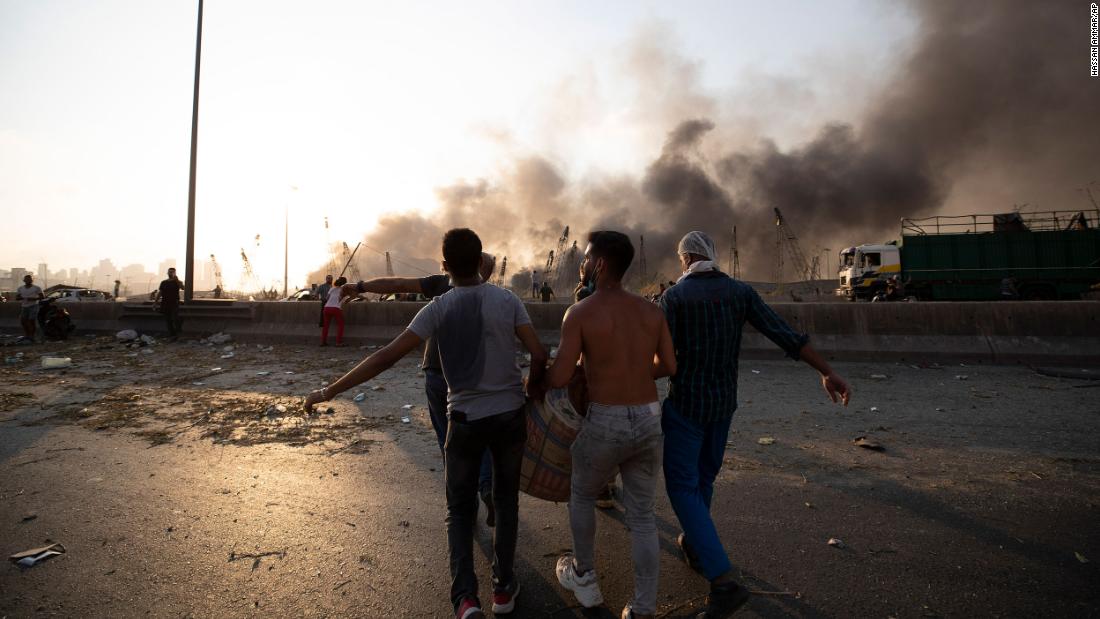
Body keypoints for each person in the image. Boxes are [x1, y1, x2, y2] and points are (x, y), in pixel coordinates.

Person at [305, 229, 546, 619]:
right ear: (481, 260)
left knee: (459, 509)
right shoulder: (508, 300)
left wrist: (329, 391)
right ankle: (503, 590)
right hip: (508, 416)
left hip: (463, 420)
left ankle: (465, 599)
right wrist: (531, 388)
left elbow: (385, 357)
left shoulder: (437, 308)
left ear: (445, 265)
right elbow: (539, 352)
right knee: (506, 502)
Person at [659, 231, 851, 618]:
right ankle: (696, 544)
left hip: (687, 407)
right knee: (704, 479)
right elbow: (786, 335)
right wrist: (826, 371)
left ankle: (723, 582)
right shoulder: (740, 292)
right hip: (722, 406)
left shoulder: (675, 298)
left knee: (681, 487)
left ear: (686, 259)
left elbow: (662, 359)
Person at [546, 231, 676, 619]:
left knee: (582, 495)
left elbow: (560, 377)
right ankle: (643, 607)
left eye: (587, 258)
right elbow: (669, 366)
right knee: (643, 517)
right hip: (649, 418)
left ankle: (584, 577)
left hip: (606, 420)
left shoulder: (580, 313)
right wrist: (633, 372)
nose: (582, 265)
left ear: (600, 264)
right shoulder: (652, 311)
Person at [342, 253, 499, 525]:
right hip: (475, 377)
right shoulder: (495, 297)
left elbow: (397, 284)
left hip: (438, 374)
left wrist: (360, 286)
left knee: (448, 441)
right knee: (482, 435)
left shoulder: (442, 285)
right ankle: (487, 486)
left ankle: (462, 504)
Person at [154, 268, 184, 341]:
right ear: (167, 273)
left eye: (172, 272)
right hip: (165, 303)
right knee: (168, 320)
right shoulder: (164, 282)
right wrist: (155, 302)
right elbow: (160, 293)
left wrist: (177, 280)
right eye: (170, 272)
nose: (171, 273)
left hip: (174, 302)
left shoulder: (177, 282)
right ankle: (172, 334)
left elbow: (183, 288)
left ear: (175, 273)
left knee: (175, 318)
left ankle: (177, 333)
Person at [320, 276, 348, 347]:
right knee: (341, 325)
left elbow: (327, 298)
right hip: (336, 308)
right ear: (345, 283)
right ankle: (338, 342)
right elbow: (344, 298)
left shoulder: (332, 288)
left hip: (326, 308)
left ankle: (323, 342)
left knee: (326, 326)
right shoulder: (344, 290)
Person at [16, 275, 44, 342]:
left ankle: (32, 336)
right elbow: (17, 298)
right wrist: (21, 298)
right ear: (24, 280)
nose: (28, 280)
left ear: (32, 280)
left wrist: (34, 299)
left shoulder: (37, 288)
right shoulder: (20, 288)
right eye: (26, 279)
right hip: (24, 306)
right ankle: (27, 335)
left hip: (34, 306)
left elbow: (42, 297)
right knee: (23, 321)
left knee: (31, 321)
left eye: (29, 279)